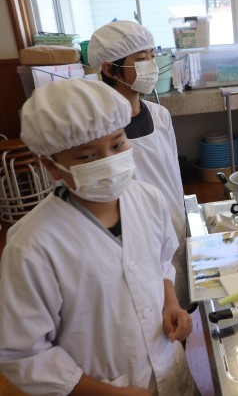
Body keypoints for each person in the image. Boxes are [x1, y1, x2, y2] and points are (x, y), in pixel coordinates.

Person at [0, 79, 197, 395]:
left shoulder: (149, 199)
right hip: (100, 387)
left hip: (170, 371)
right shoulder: (32, 247)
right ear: (52, 166)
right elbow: (24, 354)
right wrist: (110, 393)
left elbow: (161, 261)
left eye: (117, 145)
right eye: (87, 157)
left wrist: (170, 304)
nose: (108, 161)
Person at [87, 21, 192, 311]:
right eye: (141, 59)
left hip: (174, 223)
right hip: (133, 237)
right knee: (146, 312)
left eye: (152, 56)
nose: (151, 65)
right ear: (110, 69)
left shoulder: (159, 115)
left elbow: (172, 174)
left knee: (179, 305)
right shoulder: (99, 130)